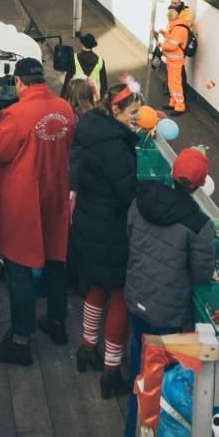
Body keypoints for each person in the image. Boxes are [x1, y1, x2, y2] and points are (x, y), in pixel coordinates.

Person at [0, 59, 75, 365]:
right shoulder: (64, 108)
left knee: (19, 267)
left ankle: (20, 340)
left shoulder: (18, 113)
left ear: (19, 82)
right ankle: (57, 322)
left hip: (24, 199)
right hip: (55, 194)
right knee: (55, 258)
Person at [122, 146, 214, 437]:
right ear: (199, 185)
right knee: (160, 373)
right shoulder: (198, 224)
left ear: (173, 173)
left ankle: (130, 431)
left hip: (137, 295)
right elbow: (201, 274)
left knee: (139, 357)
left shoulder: (141, 200)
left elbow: (130, 235)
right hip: (169, 309)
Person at [69, 81, 139, 398]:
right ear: (116, 109)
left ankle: (87, 348)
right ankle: (111, 371)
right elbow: (127, 191)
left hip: (90, 222)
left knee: (96, 287)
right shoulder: (115, 145)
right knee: (120, 296)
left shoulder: (93, 131)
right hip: (112, 228)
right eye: (133, 112)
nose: (136, 117)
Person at [157, 4, 189, 114]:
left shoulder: (179, 28)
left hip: (176, 61)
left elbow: (172, 45)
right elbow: (172, 39)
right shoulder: (174, 25)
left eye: (171, 11)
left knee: (176, 84)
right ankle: (173, 103)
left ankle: (180, 107)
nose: (168, 14)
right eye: (168, 11)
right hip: (172, 60)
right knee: (171, 83)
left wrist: (161, 45)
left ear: (176, 13)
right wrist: (164, 33)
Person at [62, 33, 108, 100]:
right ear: (92, 46)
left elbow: (68, 79)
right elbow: (103, 83)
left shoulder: (74, 58)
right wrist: (103, 99)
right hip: (94, 97)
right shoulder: (100, 61)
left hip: (77, 96)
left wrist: (64, 97)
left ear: (82, 44)